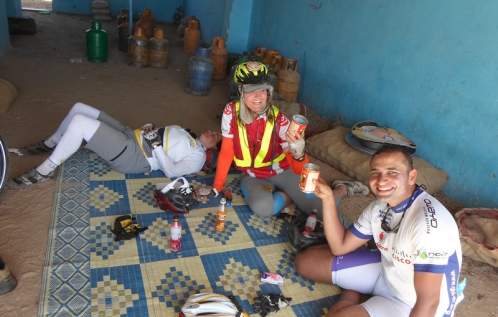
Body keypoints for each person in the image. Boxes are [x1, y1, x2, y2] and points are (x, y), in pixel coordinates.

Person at [295, 146, 464, 317]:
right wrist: (327, 198)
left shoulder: (430, 226)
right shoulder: (379, 207)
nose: (382, 180)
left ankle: (351, 300)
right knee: (306, 263)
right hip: (386, 271)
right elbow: (340, 247)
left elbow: (428, 302)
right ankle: (353, 294)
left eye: (392, 172)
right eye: (376, 172)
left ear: (411, 177)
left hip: (410, 302)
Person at [212, 60, 369, 218]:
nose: (258, 96)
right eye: (251, 90)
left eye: (263, 90)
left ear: (269, 92)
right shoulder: (230, 112)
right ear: (240, 91)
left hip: (283, 171)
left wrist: (299, 153)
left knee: (321, 211)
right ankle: (289, 198)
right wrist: (217, 186)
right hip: (252, 175)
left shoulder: (281, 122)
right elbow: (227, 152)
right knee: (262, 208)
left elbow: (298, 167)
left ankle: (342, 188)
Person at [11, 102, 221, 186]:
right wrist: (151, 129)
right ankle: (51, 143)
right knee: (79, 108)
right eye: (213, 130)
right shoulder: (187, 135)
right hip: (131, 134)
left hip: (135, 156)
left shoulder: (198, 158)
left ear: (212, 149)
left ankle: (45, 170)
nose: (211, 132)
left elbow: (171, 171)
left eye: (215, 136)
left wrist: (155, 144)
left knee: (80, 124)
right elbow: (164, 138)